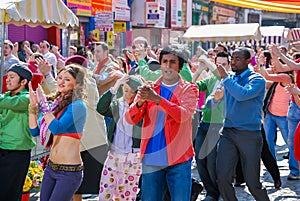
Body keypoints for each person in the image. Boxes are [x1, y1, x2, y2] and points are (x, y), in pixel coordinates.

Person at [125, 45, 199, 201]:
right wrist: (139, 103)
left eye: (172, 62)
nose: (168, 66)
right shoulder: (148, 88)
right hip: (152, 157)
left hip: (179, 158)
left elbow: (183, 115)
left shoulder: (190, 89)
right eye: (164, 61)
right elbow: (130, 119)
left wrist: (157, 100)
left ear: (180, 67)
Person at [214, 47, 270, 201]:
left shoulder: (257, 79)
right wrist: (216, 98)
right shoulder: (230, 78)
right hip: (228, 132)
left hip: (249, 134)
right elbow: (215, 100)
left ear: (247, 61)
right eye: (232, 58)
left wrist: (225, 79)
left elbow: (241, 95)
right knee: (223, 178)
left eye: (238, 59)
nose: (233, 62)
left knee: (253, 183)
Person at [28, 64, 87, 201]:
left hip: (69, 172)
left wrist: (43, 104)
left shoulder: (78, 106)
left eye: (67, 79)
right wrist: (33, 107)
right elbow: (35, 131)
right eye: (59, 77)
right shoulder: (55, 104)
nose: (61, 81)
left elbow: (57, 128)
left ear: (77, 84)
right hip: (50, 168)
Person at [97, 75, 143, 201]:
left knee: (127, 195)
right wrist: (115, 86)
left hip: (133, 157)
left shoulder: (141, 108)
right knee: (105, 192)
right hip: (114, 154)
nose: (128, 94)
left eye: (131, 91)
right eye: (125, 90)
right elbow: (101, 108)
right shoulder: (118, 105)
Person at [194, 51, 230, 201]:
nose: (221, 67)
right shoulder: (209, 80)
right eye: (218, 63)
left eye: (224, 64)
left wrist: (208, 62)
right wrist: (200, 69)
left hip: (219, 126)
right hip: (204, 123)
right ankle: (211, 192)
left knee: (211, 163)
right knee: (200, 160)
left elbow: (220, 75)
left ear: (229, 65)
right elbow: (192, 86)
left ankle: (218, 192)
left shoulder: (230, 80)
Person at [0, 64, 35, 201]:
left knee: (10, 195)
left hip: (17, 154)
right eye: (7, 76)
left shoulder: (27, 98)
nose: (7, 80)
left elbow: (10, 103)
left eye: (12, 77)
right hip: (2, 149)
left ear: (23, 81)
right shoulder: (6, 97)